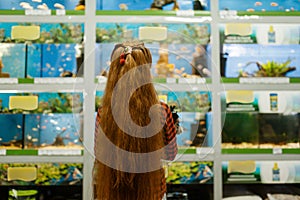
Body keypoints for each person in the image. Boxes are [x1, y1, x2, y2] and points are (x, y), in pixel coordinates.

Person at [94, 41, 178, 200]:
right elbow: (171, 154)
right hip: (151, 191)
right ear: (146, 72)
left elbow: (99, 153)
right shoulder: (161, 111)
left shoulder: (103, 113)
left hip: (113, 192)